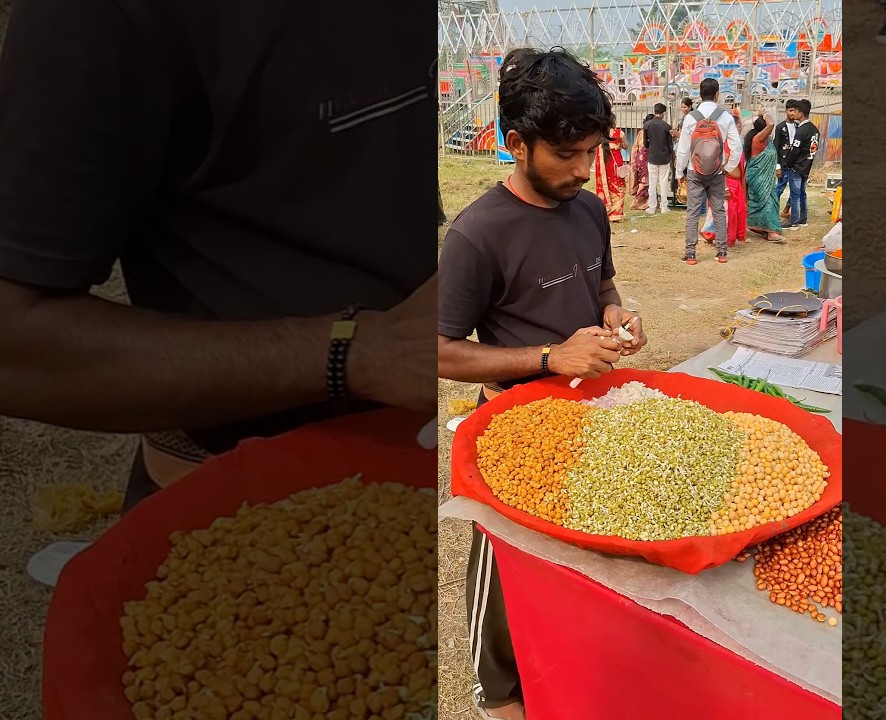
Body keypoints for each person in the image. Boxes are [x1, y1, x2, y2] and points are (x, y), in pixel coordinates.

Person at [0, 0, 436, 506]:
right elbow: (14, 341)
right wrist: (357, 351)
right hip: (273, 521)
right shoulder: (93, 17)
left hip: (459, 472)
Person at [436, 47, 648, 720]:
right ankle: (498, 696)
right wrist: (550, 359)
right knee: (504, 571)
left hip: (590, 417)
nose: (583, 171)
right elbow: (437, 350)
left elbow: (601, 279)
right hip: (514, 429)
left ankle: (566, 668)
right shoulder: (477, 235)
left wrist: (615, 311)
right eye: (566, 156)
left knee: (576, 558)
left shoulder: (587, 209)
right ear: (516, 143)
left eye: (591, 153)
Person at [675, 78, 742, 265]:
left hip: (694, 171)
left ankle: (691, 254)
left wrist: (679, 172)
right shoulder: (726, 117)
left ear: (699, 94)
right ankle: (721, 252)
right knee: (719, 210)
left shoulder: (691, 118)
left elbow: (683, 149)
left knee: (693, 212)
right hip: (717, 172)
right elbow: (737, 147)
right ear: (717, 95)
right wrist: (727, 167)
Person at [743, 114, 786, 243]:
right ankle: (772, 232)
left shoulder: (766, 140)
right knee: (768, 203)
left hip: (762, 176)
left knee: (768, 202)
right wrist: (765, 113)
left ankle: (760, 227)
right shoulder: (758, 139)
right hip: (758, 177)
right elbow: (771, 124)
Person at [779, 98, 820, 229]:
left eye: (795, 111)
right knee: (802, 193)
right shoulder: (814, 130)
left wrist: (787, 164)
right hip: (806, 167)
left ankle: (794, 221)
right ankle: (803, 219)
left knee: (795, 195)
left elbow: (795, 151)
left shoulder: (801, 131)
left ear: (800, 114)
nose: (793, 114)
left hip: (796, 168)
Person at [724, 108, 748, 246]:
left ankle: (730, 237)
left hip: (736, 183)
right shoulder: (726, 144)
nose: (740, 129)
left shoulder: (736, 144)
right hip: (728, 183)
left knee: (735, 212)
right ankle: (727, 238)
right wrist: (726, 170)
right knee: (730, 213)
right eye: (739, 126)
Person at [644, 103, 673, 214]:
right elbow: (669, 144)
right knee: (663, 182)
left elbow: (645, 143)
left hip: (652, 157)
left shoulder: (647, 125)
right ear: (663, 113)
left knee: (652, 183)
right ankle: (664, 207)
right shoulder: (666, 126)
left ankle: (652, 207)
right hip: (664, 157)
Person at [594, 126, 627, 222]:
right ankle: (616, 214)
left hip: (605, 164)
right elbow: (626, 146)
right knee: (620, 188)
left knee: (608, 186)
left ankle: (607, 213)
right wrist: (620, 146)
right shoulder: (619, 133)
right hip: (616, 163)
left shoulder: (600, 133)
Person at [774, 99, 799, 217]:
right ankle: (773, 211)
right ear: (786, 111)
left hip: (795, 164)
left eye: (795, 111)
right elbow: (776, 147)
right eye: (791, 110)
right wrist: (777, 166)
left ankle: (786, 210)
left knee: (795, 190)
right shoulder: (780, 127)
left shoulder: (798, 126)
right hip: (783, 164)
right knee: (779, 188)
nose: (793, 113)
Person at [630, 113, 653, 211]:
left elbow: (635, 147)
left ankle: (647, 201)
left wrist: (634, 160)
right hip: (645, 159)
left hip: (642, 158)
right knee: (645, 181)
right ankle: (639, 202)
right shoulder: (646, 132)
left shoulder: (641, 132)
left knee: (646, 181)